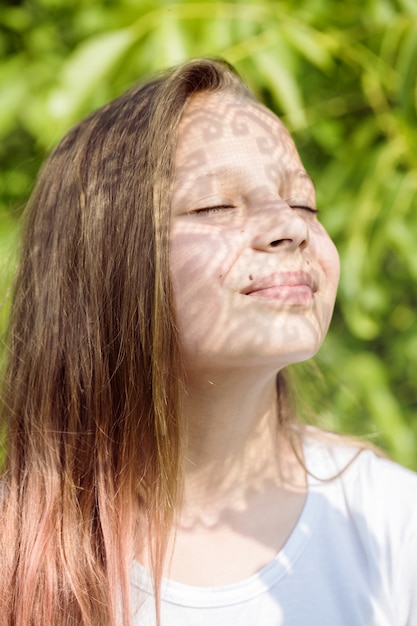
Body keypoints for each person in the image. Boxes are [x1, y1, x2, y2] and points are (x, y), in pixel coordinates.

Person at [0, 57, 416, 626]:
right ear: (105, 265)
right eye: (216, 206)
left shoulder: (390, 523)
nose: (290, 227)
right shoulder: (20, 551)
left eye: (303, 203)